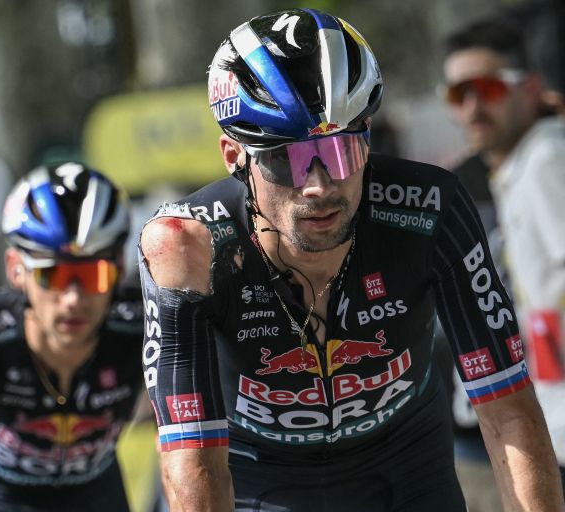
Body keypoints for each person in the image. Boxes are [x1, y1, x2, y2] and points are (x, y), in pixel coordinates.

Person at [138, 8, 564, 511]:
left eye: (343, 152)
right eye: (288, 159)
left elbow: (508, 411)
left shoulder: (430, 210)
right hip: (264, 484)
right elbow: (193, 462)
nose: (319, 186)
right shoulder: (187, 245)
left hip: (406, 473)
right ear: (235, 157)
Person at [0, 162, 145, 512]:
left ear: (118, 266)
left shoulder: (143, 320)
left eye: (94, 276)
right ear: (15, 269)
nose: (73, 300)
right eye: (52, 276)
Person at [443, 17, 565, 492]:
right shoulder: (519, 165)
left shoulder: (547, 158)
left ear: (530, 88)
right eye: (458, 94)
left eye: (488, 88)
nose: (472, 107)